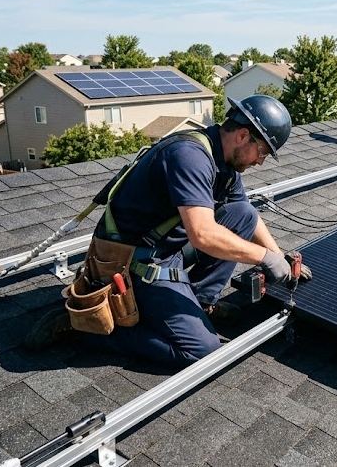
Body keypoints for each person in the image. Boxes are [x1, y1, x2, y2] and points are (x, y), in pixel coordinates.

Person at [26, 95, 303, 367]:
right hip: (132, 262)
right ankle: (89, 328)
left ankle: (201, 301)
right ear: (243, 136)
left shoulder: (225, 163)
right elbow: (202, 234)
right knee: (200, 349)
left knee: (241, 214)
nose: (261, 161)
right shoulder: (190, 157)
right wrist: (264, 258)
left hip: (166, 250)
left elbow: (246, 215)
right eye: (263, 152)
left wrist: (280, 256)